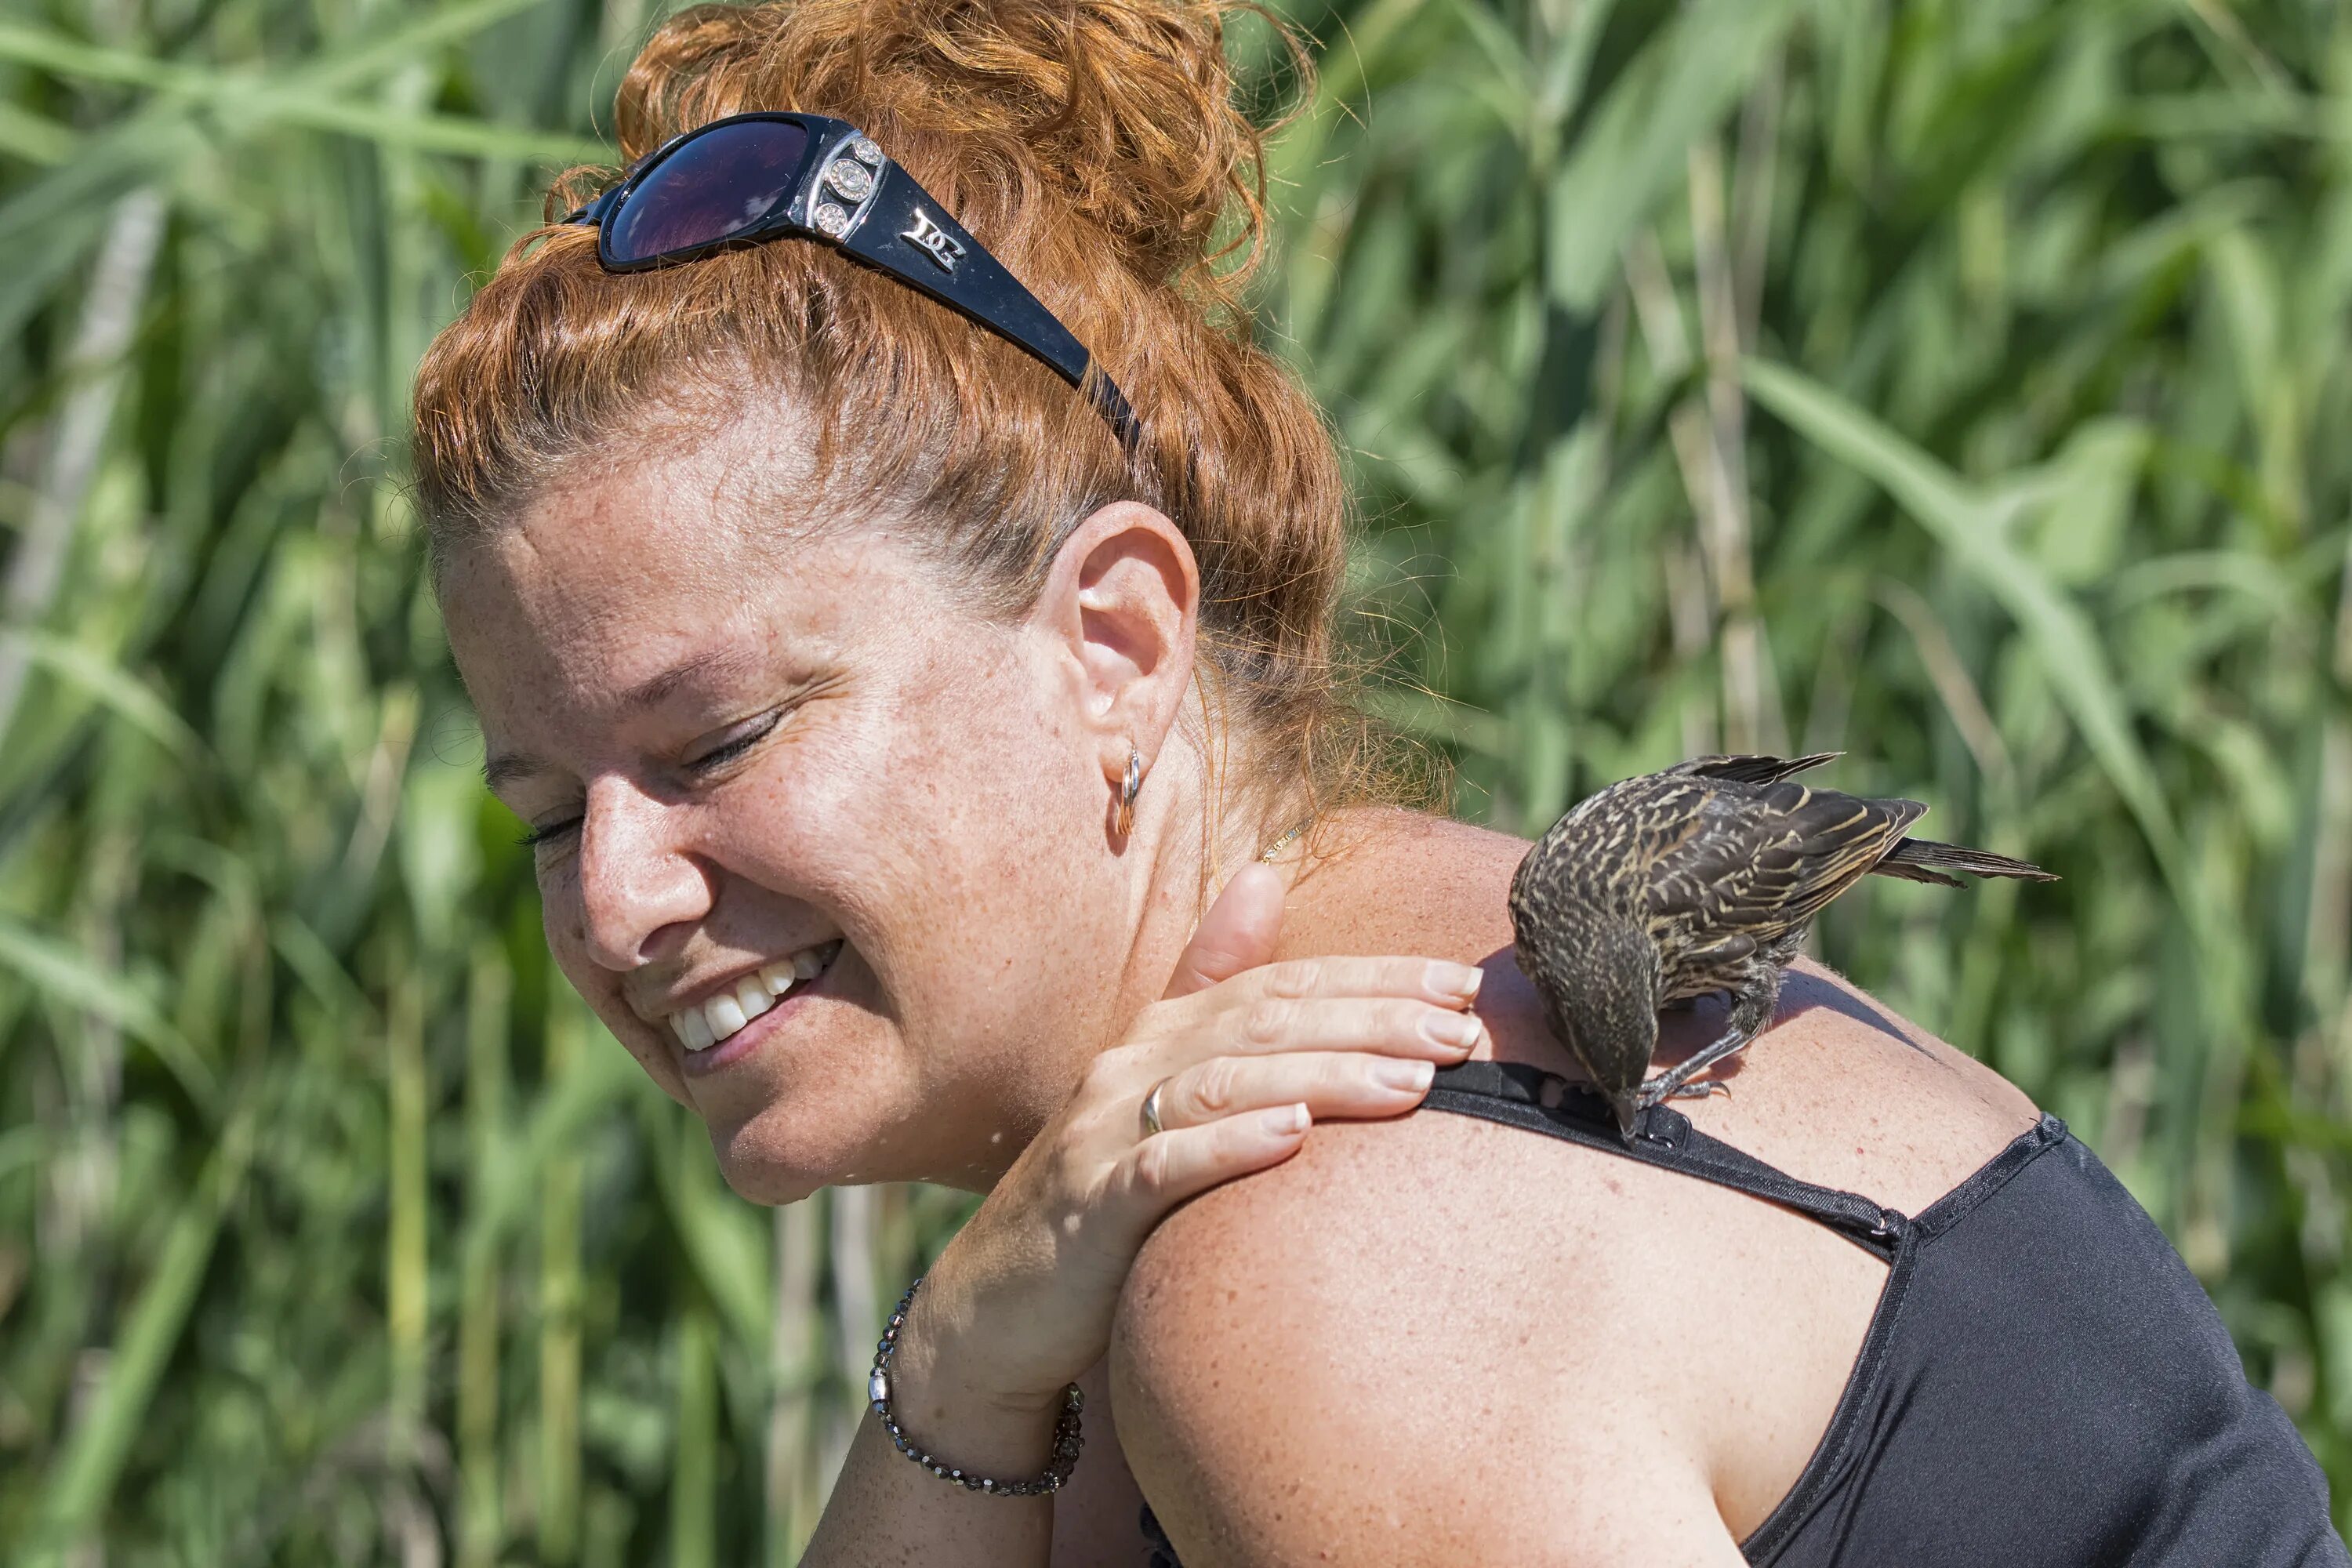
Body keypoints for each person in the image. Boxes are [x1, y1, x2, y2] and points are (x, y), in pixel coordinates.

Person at [410, 2, 2350, 1561]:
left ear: (1116, 643)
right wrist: (957, 1369)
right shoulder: (1168, 1216)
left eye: (716, 742)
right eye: (550, 815)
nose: (613, 899)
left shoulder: (1321, 1274)